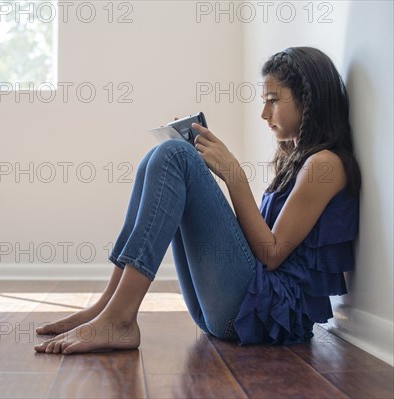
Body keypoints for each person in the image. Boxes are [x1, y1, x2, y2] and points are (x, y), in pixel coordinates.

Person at [34, 46, 361, 355]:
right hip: (241, 309)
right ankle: (110, 306)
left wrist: (232, 174)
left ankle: (119, 318)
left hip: (263, 316)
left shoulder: (325, 165)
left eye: (273, 100)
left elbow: (272, 255)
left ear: (308, 100)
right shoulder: (297, 161)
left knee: (175, 155)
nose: (264, 113)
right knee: (158, 157)